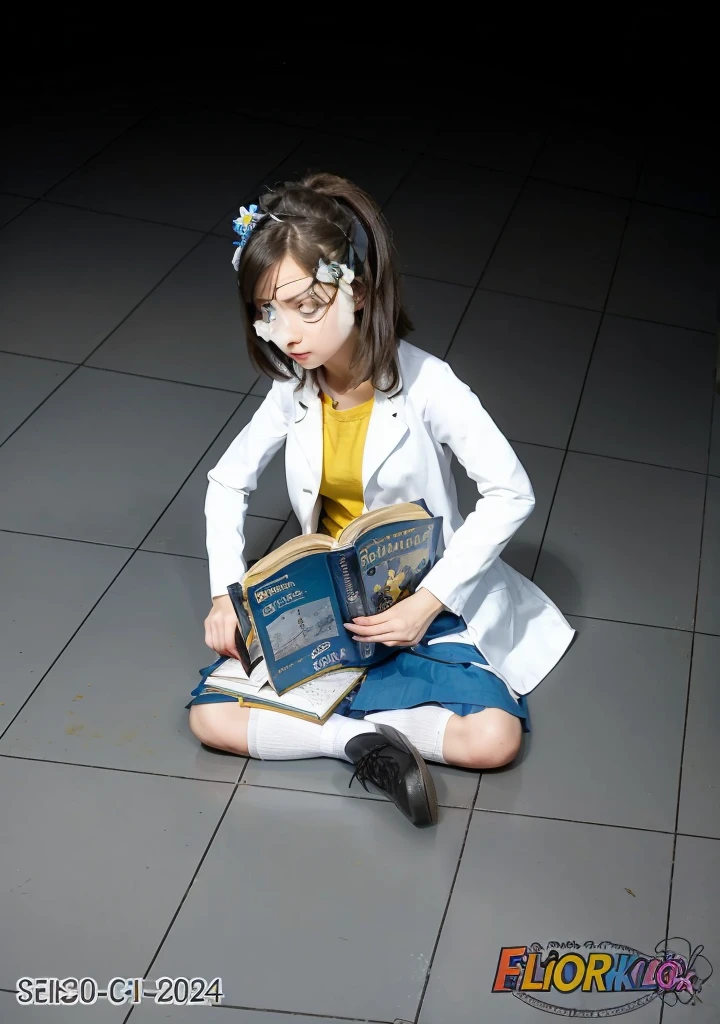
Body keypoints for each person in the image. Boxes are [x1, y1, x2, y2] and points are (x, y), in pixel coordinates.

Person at [188, 172, 575, 828]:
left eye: (308, 306)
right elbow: (227, 481)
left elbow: (512, 491)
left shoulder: (430, 384)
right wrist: (225, 593)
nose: (287, 332)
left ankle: (345, 721)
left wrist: (427, 603)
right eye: (267, 310)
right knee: (208, 718)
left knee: (494, 740)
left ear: (358, 291)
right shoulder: (293, 386)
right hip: (329, 601)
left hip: (424, 598)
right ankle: (358, 743)